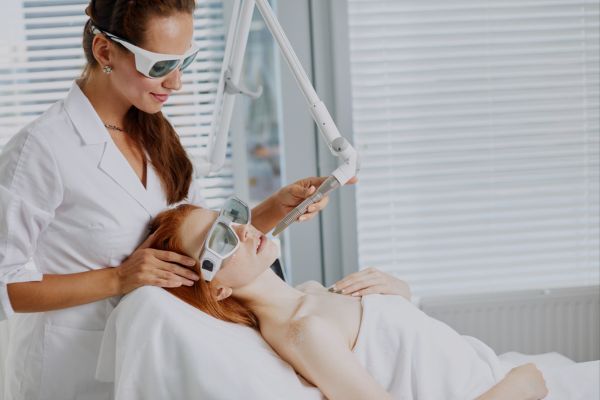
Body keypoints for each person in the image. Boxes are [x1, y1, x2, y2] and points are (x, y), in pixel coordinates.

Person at [0, 1, 366, 399]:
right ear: (104, 51)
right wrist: (118, 278)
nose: (176, 83)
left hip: (158, 355)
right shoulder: (41, 150)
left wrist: (276, 208)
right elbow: (5, 284)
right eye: (159, 66)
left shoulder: (154, 132)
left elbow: (205, 244)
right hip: (70, 367)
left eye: (183, 62)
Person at [146, 202, 551, 400]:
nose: (243, 229)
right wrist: (521, 385)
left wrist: (402, 293)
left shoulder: (307, 293)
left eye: (228, 218)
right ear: (217, 288)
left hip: (492, 370)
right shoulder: (303, 332)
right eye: (220, 240)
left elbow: (399, 345)